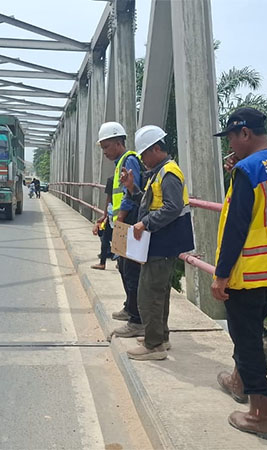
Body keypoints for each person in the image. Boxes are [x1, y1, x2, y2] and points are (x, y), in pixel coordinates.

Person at [211, 107, 267, 441]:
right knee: (251, 328)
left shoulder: (247, 169)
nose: (231, 146)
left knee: (246, 339)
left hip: (247, 267)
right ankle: (238, 381)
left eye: (233, 138)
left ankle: (261, 414)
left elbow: (236, 227)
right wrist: (240, 169)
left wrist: (221, 275)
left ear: (245, 133)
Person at [119, 125, 194, 361]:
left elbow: (171, 207)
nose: (142, 160)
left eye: (144, 154)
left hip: (163, 242)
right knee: (158, 292)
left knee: (149, 293)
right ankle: (160, 337)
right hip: (160, 242)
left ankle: (154, 346)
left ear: (156, 149)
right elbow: (150, 203)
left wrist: (145, 223)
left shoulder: (169, 173)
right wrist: (132, 189)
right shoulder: (159, 173)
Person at [96, 121, 145, 337]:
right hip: (120, 221)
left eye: (106, 147)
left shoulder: (129, 160)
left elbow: (129, 193)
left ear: (118, 142)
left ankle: (137, 320)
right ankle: (129, 308)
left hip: (128, 221)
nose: (105, 152)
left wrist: (121, 219)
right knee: (123, 268)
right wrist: (108, 216)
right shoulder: (120, 162)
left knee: (131, 270)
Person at [91, 176, 114, 270]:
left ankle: (102, 263)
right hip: (123, 213)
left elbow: (108, 199)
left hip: (113, 213)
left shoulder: (112, 179)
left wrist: (105, 215)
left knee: (105, 238)